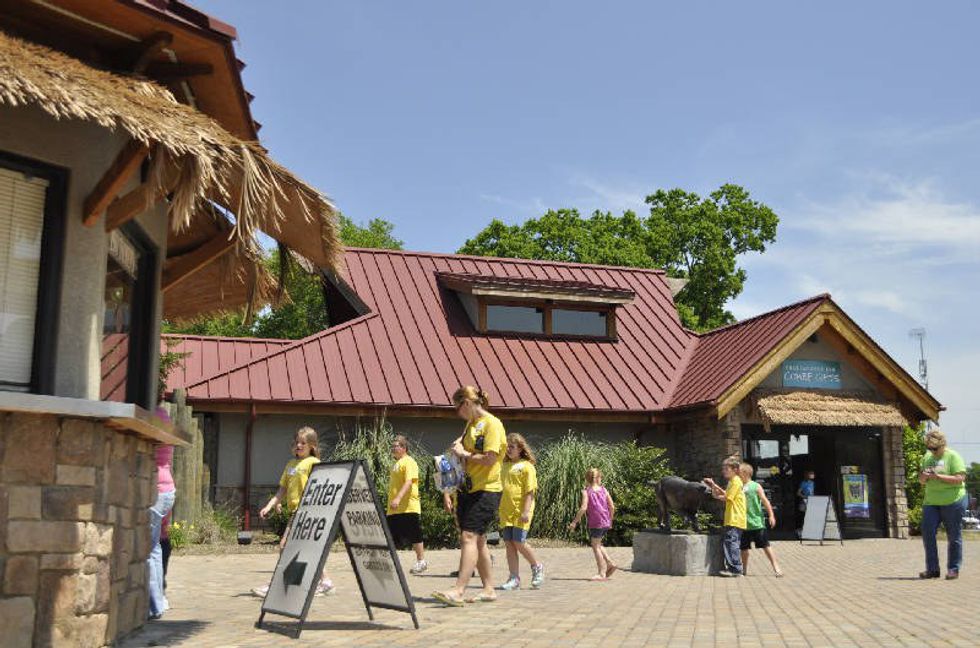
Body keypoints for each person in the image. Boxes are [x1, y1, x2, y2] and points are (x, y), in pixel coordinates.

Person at [433, 386, 506, 606]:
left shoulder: (492, 424)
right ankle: (489, 589)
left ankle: (459, 590)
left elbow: (490, 459)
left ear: (466, 403)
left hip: (487, 489)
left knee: (469, 537)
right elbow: (462, 454)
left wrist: (464, 453)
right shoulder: (470, 426)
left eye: (457, 408)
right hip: (468, 489)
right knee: (479, 540)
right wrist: (456, 450)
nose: (457, 413)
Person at [251, 427, 334, 597]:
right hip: (295, 512)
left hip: (309, 512)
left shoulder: (314, 463)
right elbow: (283, 490)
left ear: (312, 446)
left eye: (303, 443)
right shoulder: (290, 465)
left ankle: (279, 584)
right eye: (297, 442)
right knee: (304, 548)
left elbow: (322, 487)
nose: (299, 445)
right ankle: (323, 582)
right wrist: (271, 505)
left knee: (286, 545)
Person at [918, 428, 968, 580]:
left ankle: (953, 569)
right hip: (931, 501)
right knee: (927, 533)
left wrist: (938, 476)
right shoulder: (927, 458)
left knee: (953, 536)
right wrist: (924, 477)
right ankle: (932, 569)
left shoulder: (953, 456)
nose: (932, 451)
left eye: (935, 449)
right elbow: (921, 480)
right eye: (930, 448)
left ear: (942, 445)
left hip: (953, 501)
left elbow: (960, 478)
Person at [499, 433, 544, 590]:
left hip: (521, 511)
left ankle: (537, 567)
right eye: (507, 447)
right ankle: (514, 578)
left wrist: (525, 511)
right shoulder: (504, 465)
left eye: (512, 447)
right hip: (506, 511)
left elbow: (530, 492)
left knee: (519, 541)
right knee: (509, 544)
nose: (508, 450)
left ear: (520, 448)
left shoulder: (527, 467)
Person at [387, 435, 427, 575]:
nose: (393, 448)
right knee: (390, 535)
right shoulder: (396, 464)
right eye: (392, 446)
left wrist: (398, 498)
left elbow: (409, 482)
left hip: (408, 506)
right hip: (394, 508)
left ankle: (421, 561)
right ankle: (390, 564)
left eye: (396, 446)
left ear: (404, 448)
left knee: (414, 533)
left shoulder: (409, 462)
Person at [568, 468, 617, 581]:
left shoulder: (586, 491)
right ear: (598, 478)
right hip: (605, 521)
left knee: (595, 546)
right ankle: (610, 563)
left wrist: (574, 522)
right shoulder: (604, 490)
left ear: (587, 479)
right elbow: (612, 506)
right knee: (598, 544)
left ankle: (601, 573)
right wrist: (610, 520)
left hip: (596, 522)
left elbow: (583, 508)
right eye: (600, 477)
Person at [704, 455, 747, 577]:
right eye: (723, 469)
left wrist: (716, 495)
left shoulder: (735, 481)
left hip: (735, 518)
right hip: (733, 518)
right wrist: (714, 485)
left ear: (735, 470)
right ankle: (734, 568)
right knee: (730, 542)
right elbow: (726, 494)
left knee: (731, 543)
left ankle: (736, 569)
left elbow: (727, 497)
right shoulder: (733, 481)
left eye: (726, 469)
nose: (724, 471)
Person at [147, 444, 176, 619]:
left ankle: (153, 605)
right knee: (157, 546)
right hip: (167, 490)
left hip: (157, 490)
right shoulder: (167, 430)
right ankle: (158, 600)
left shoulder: (157, 426)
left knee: (150, 549)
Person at [739, 463, 783, 577]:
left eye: (739, 472)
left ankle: (776, 567)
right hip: (743, 524)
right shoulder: (738, 486)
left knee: (765, 546)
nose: (737, 475)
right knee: (744, 548)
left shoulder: (756, 486)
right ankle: (744, 569)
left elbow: (765, 501)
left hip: (757, 522)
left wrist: (771, 515)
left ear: (745, 473)